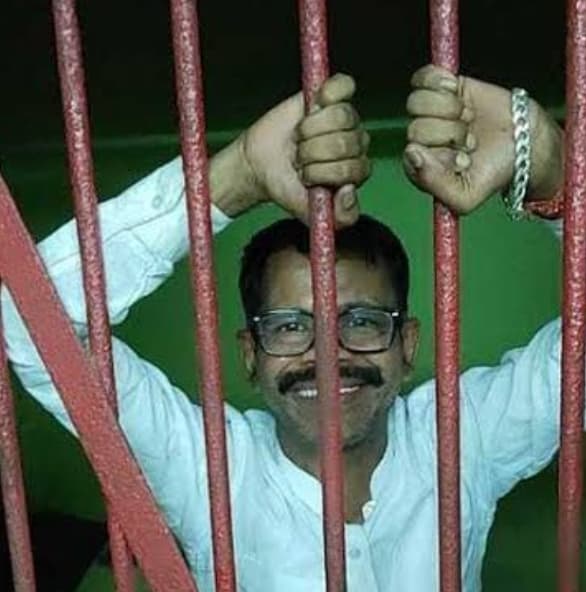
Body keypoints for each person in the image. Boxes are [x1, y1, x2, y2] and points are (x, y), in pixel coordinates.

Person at [1, 64, 567, 592]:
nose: (328, 355)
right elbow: (32, 324)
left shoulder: (461, 437)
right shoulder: (211, 468)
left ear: (408, 344)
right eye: (291, 326)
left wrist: (556, 176)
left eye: (362, 321)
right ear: (250, 353)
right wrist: (234, 179)